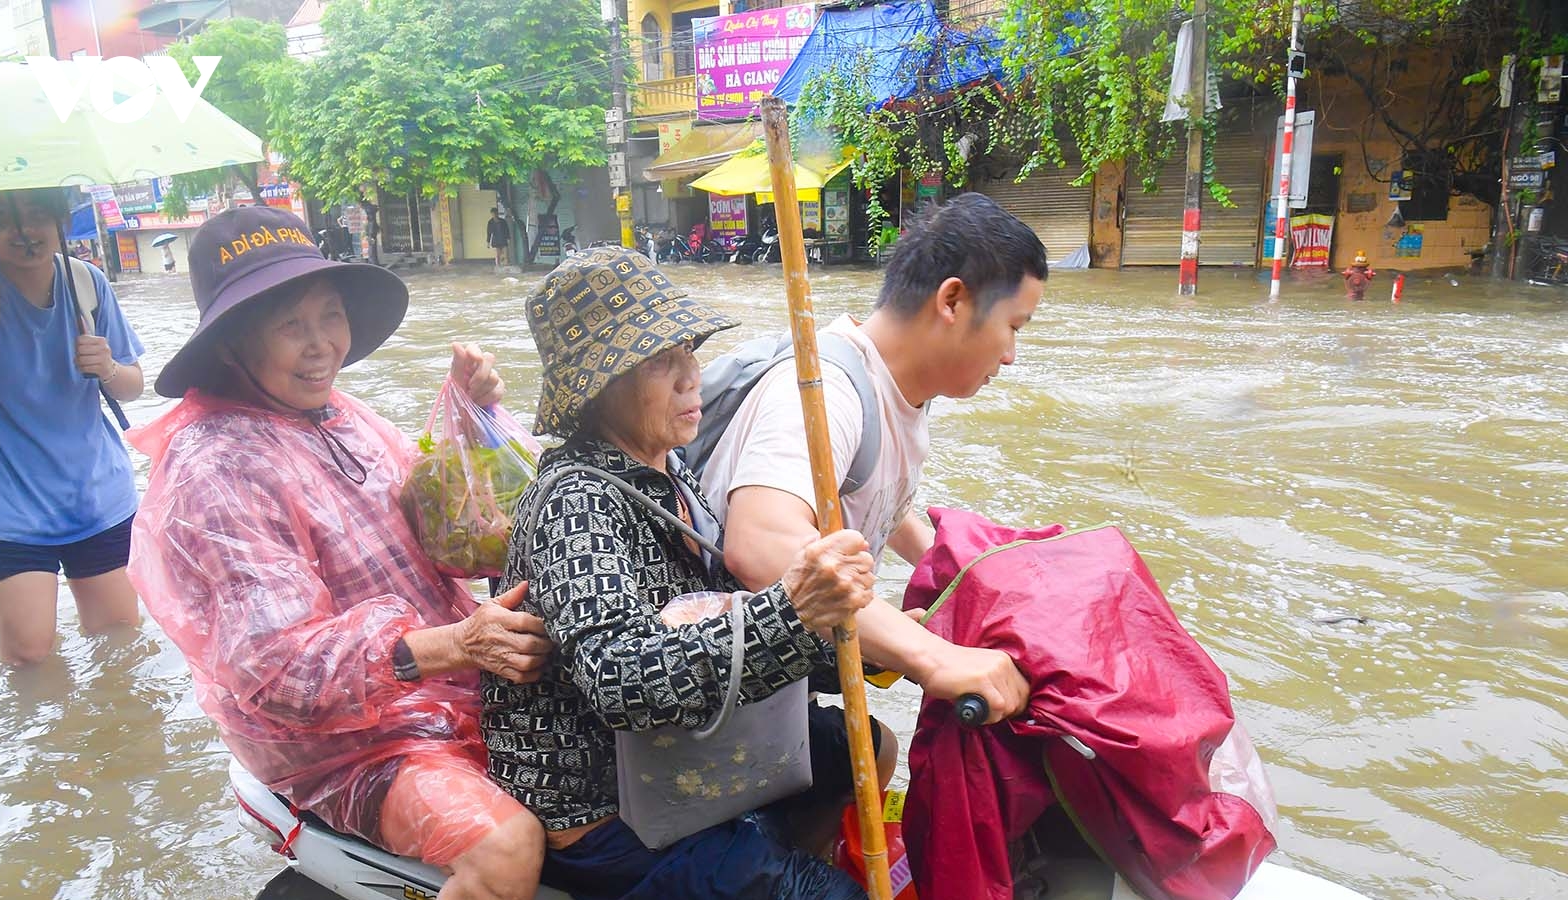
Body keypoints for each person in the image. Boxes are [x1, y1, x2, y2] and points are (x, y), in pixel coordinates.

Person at [127, 206, 551, 900]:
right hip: (345, 748)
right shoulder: (218, 469)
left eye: (329, 316)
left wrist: (471, 430)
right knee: (505, 849)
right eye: (291, 325)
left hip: (449, 682)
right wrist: (455, 645)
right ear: (234, 342)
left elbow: (448, 541)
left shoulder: (341, 413)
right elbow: (275, 670)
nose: (320, 344)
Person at [484, 246, 885, 900]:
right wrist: (789, 609)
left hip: (685, 758)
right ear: (601, 385)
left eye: (688, 353)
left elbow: (719, 616)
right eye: (660, 361)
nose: (690, 377)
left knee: (857, 743)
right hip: (603, 803)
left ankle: (769, 860)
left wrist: (861, 642)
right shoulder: (573, 503)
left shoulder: (675, 473)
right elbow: (622, 680)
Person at [699, 192, 1044, 723]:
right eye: (1013, 326)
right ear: (951, 302)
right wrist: (933, 657)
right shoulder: (825, 391)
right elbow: (761, 545)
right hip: (716, 689)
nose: (1010, 355)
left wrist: (960, 572)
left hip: (781, 678)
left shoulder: (902, 390)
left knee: (878, 751)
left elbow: (872, 494)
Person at [0, 188, 146, 666]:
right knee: (28, 658)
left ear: (61, 221)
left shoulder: (87, 284)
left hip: (97, 498)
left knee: (120, 646)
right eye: (4, 218)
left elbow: (132, 385)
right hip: (7, 511)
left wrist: (107, 367)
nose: (24, 232)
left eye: (37, 215)